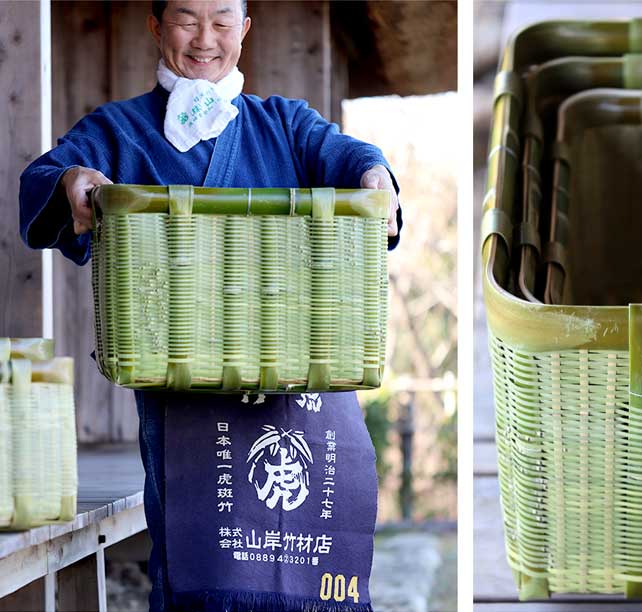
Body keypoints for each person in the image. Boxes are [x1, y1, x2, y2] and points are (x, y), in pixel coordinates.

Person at [19, 1, 401, 610]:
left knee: (309, 580)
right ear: (156, 26)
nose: (205, 39)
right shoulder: (118, 131)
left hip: (295, 391)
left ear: (245, 31)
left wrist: (376, 176)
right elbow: (48, 175)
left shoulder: (285, 124)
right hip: (182, 409)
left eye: (222, 20)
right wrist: (73, 184)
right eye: (185, 19)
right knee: (203, 578)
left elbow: (350, 157)